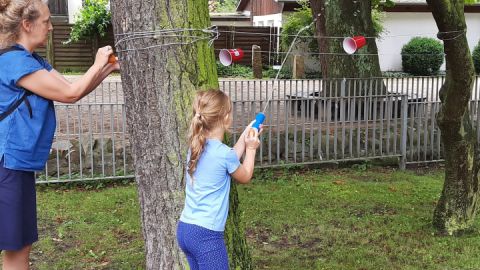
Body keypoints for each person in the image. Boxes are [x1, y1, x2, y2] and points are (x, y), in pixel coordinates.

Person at [0, 0, 119, 269]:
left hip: (16, 164)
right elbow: (70, 94)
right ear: (26, 25)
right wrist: (98, 61)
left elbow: (71, 88)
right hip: (7, 164)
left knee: (20, 244)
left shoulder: (32, 60)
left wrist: (106, 69)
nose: (52, 27)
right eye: (46, 21)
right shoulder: (14, 61)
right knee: (17, 249)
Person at [176, 89, 261, 270]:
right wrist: (251, 149)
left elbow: (229, 157)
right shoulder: (223, 154)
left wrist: (245, 135)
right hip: (206, 236)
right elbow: (244, 175)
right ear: (226, 117)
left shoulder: (195, 147)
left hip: (186, 230)